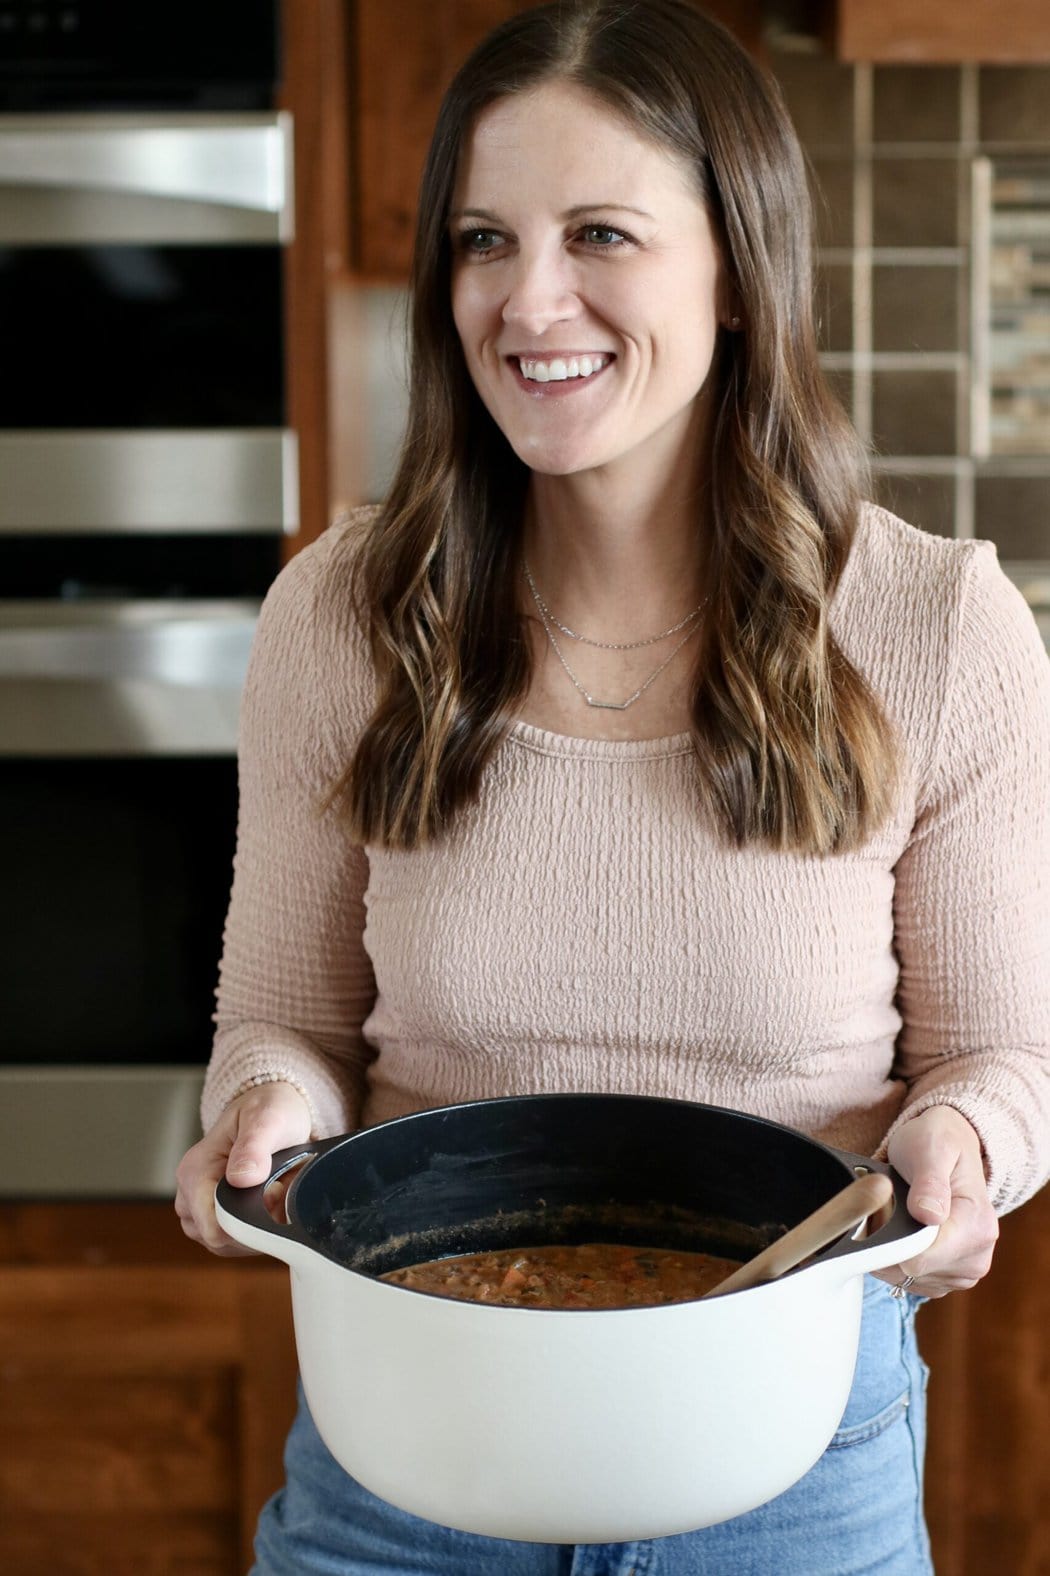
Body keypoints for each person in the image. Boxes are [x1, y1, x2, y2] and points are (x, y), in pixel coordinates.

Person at [175, 2, 1050, 1571]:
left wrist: (966, 1144)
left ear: (737, 271)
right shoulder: (343, 614)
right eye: (482, 240)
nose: (529, 298)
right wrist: (261, 1115)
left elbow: (1000, 1058)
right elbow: (284, 1025)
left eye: (599, 233)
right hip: (409, 1442)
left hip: (791, 1448)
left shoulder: (935, 628)